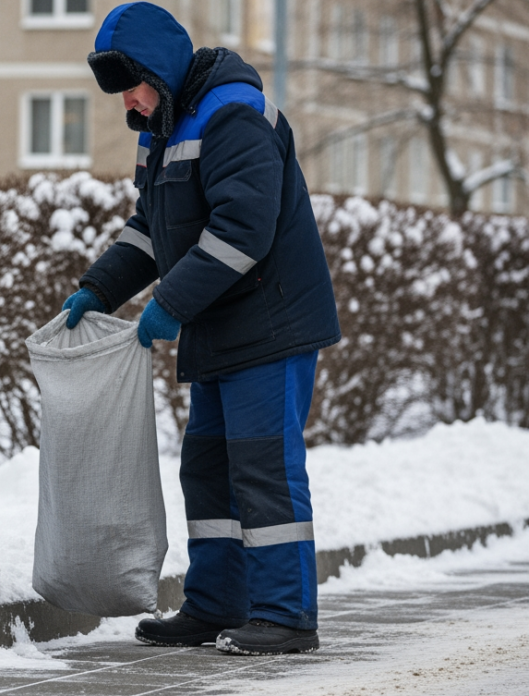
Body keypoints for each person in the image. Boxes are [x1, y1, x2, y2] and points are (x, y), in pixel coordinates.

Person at [63, 2, 340, 655]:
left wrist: (171, 305)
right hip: (222, 329)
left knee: (264, 468)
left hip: (270, 325)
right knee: (208, 470)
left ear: (159, 69)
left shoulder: (233, 116)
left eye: (130, 84)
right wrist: (99, 288)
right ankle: (217, 604)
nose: (126, 102)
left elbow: (242, 230)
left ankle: (286, 615)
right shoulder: (162, 128)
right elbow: (153, 229)